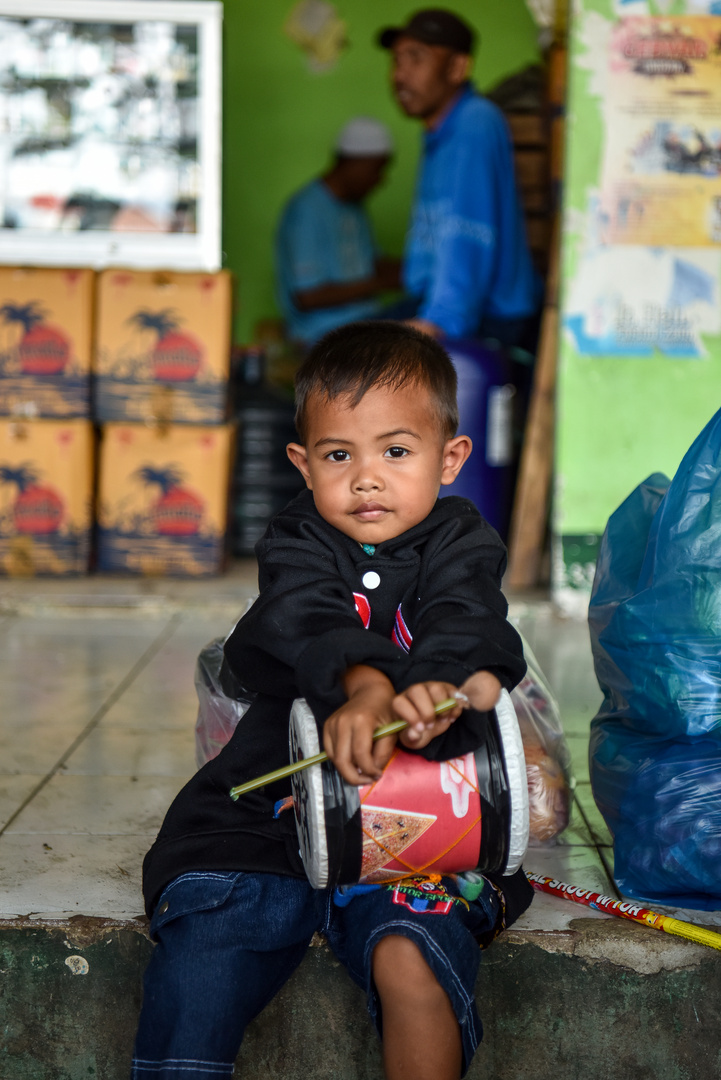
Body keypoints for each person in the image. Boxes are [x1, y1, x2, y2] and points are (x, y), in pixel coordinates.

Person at [131, 321, 533, 1080]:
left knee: (413, 953)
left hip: (421, 831)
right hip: (269, 822)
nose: (366, 478)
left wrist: (435, 685)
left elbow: (468, 618)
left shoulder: (462, 541)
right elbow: (302, 613)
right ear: (303, 464)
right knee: (207, 941)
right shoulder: (296, 540)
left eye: (395, 451)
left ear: (449, 459)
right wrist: (364, 679)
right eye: (339, 455)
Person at [378, 9, 542, 347]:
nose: (400, 75)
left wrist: (437, 323)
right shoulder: (439, 130)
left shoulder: (474, 123)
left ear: (457, 68)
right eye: (397, 61)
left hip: (489, 321)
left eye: (416, 59)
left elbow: (466, 234)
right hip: (440, 303)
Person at [276, 118, 401, 347]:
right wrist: (381, 283)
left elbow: (372, 263)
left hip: (366, 322)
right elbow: (308, 296)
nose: (381, 180)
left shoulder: (355, 207)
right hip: (324, 335)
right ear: (354, 163)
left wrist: (421, 271)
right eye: (377, 170)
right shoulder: (306, 211)